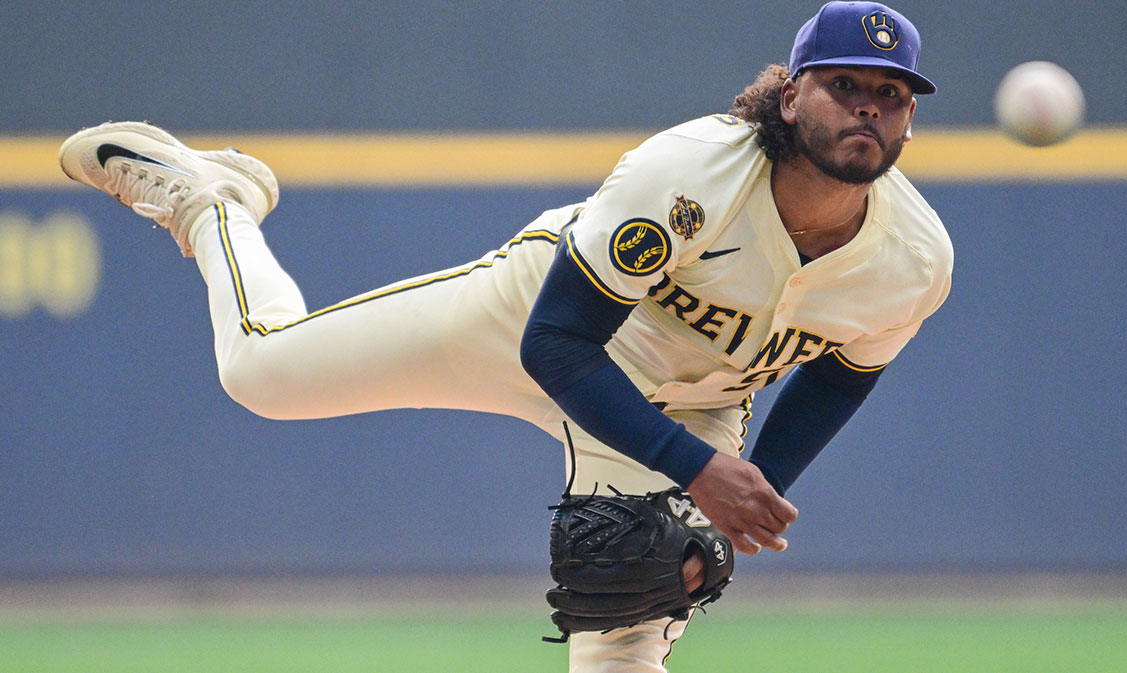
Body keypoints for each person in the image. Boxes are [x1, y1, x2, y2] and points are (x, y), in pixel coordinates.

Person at [58, 1, 951, 670]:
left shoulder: (913, 259)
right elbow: (557, 343)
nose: (868, 108)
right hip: (533, 319)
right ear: (792, 96)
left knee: (625, 649)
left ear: (909, 116)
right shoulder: (689, 175)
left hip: (689, 407)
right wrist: (697, 470)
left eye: (890, 94)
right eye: (844, 86)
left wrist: (729, 510)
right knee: (259, 372)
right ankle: (215, 205)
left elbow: (841, 377)